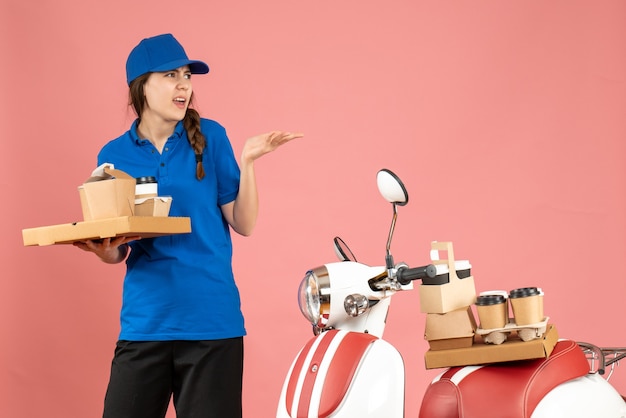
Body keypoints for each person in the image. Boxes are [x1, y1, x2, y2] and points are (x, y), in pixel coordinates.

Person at [73, 33, 302, 418]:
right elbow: (119, 249)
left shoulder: (211, 137)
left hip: (211, 322)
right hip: (146, 323)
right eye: (170, 75)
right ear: (142, 86)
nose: (184, 85)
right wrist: (104, 251)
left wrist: (248, 163)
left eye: (187, 76)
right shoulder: (113, 155)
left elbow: (244, 224)